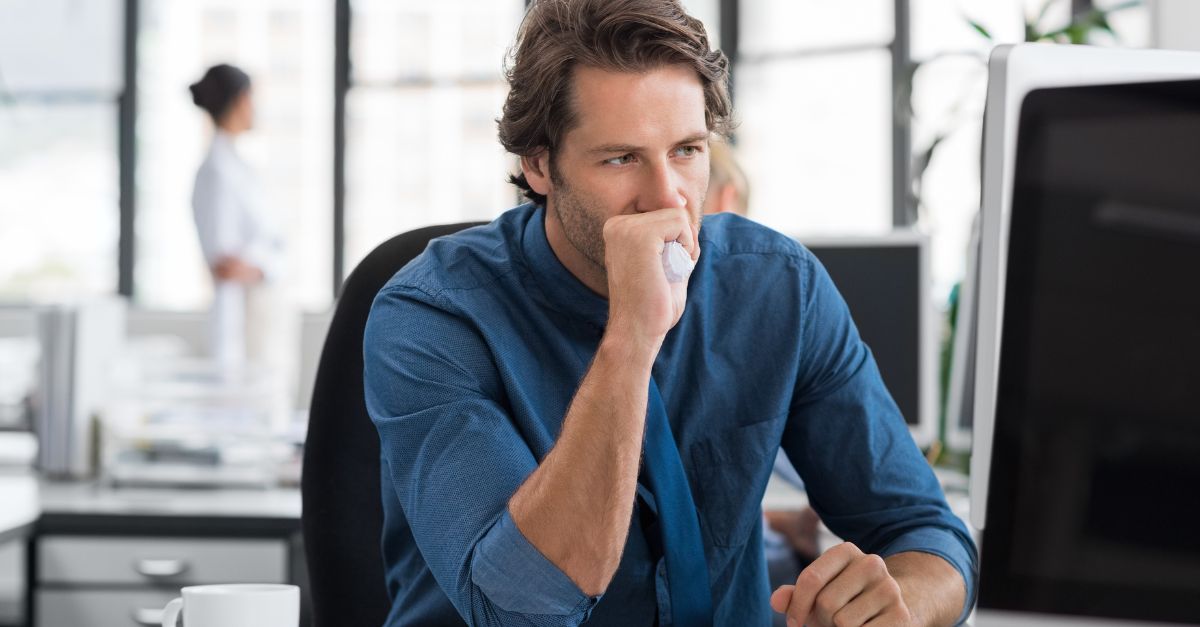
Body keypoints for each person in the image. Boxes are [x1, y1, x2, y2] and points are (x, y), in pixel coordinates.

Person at [363, 1, 977, 626]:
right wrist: (631, 337)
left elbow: (926, 533)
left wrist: (898, 607)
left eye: (686, 150)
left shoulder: (777, 286)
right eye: (621, 159)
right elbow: (520, 614)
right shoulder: (431, 314)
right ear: (539, 164)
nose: (668, 199)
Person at [190, 64, 296, 427]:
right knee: (249, 415)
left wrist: (265, 265)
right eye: (252, 98)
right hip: (244, 322)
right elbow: (226, 267)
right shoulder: (217, 172)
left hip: (263, 313)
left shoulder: (238, 166)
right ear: (240, 101)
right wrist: (263, 266)